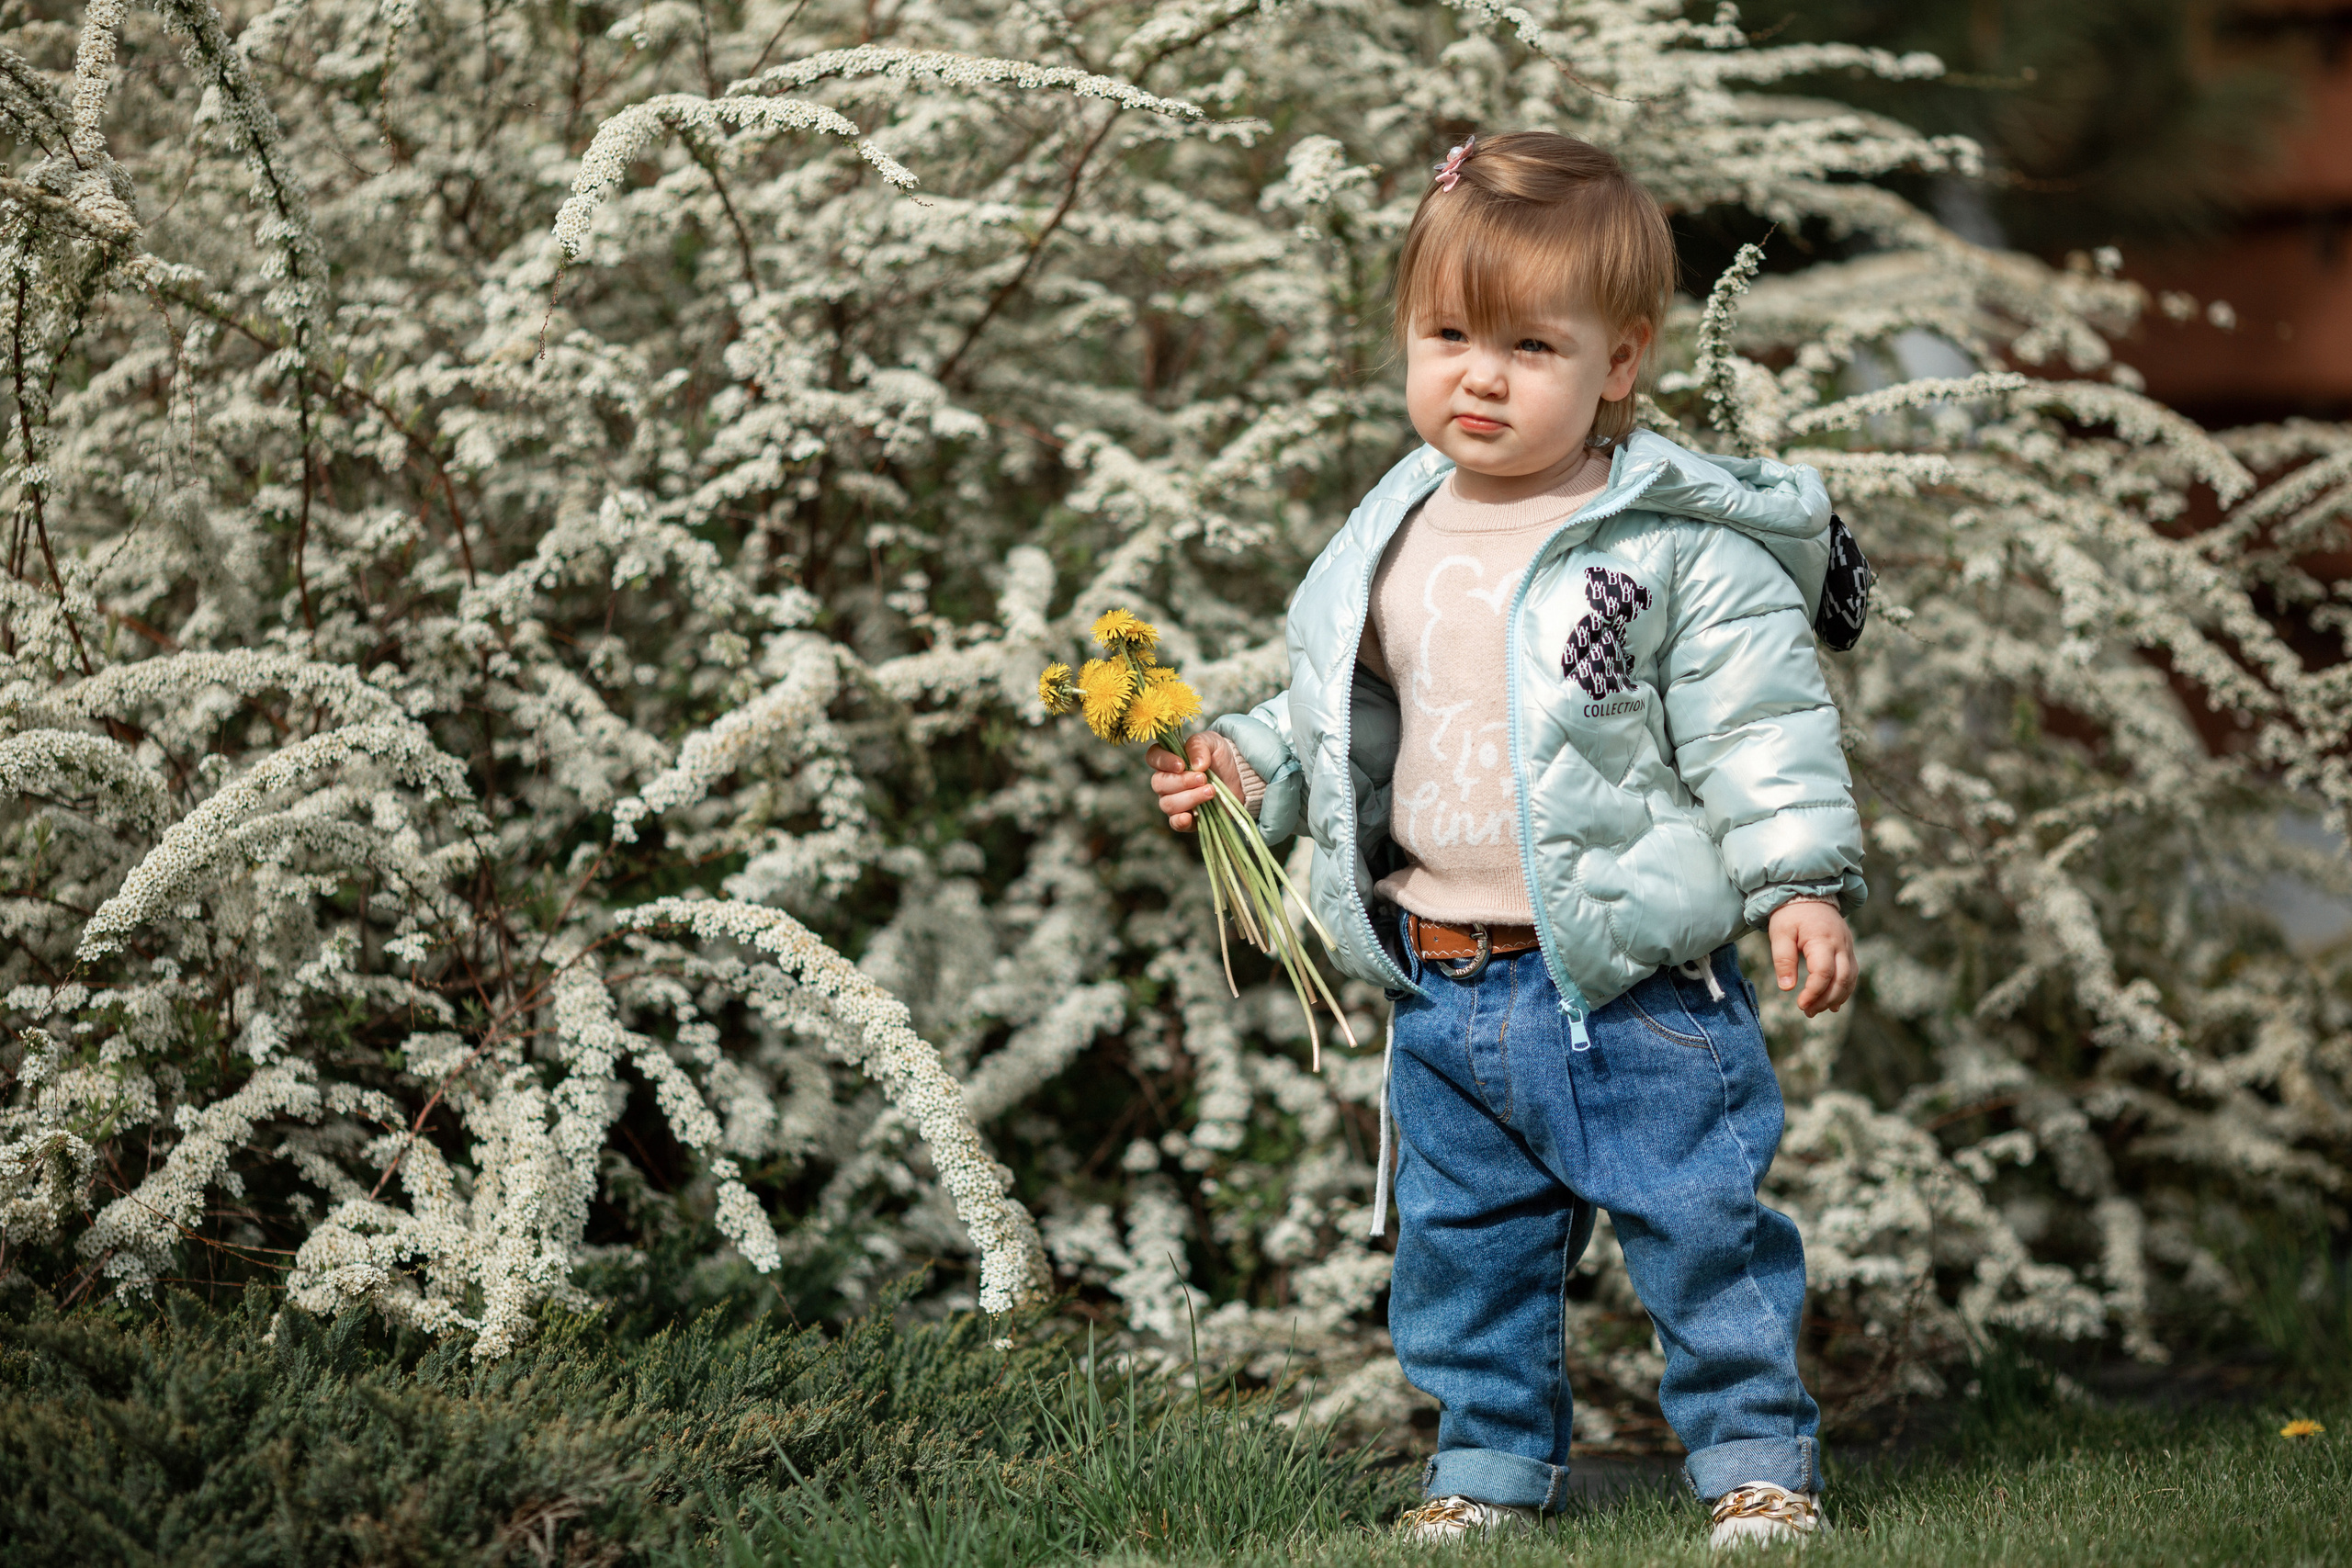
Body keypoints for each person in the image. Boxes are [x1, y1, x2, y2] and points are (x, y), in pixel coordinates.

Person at [1146, 130, 1867, 1551]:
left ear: (1619, 362)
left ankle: (1756, 1466)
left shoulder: (1661, 541)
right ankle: (1486, 1466)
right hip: (1445, 980)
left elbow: (1758, 730)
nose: (1479, 376)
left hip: (1631, 991)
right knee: (1462, 1253)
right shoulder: (1392, 527)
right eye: (1448, 336)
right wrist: (1249, 762)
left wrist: (1797, 884)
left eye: (1531, 346)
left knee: (1699, 1228)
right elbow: (1343, 705)